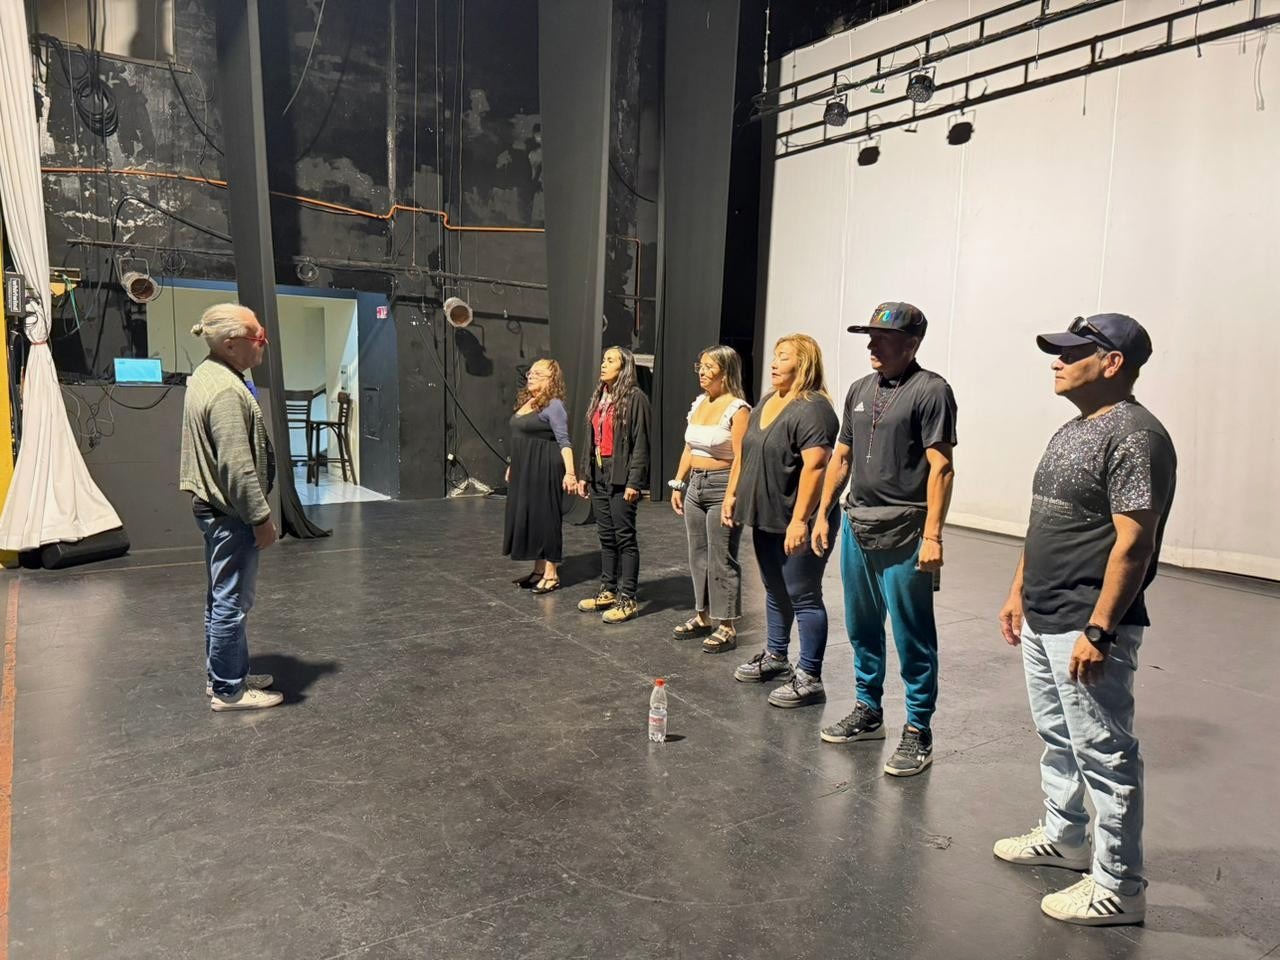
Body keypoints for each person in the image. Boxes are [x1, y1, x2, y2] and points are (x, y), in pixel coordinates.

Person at [994, 314, 1175, 927]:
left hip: (1087, 619)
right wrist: (1018, 591)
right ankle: (1065, 836)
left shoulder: (1137, 436)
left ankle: (1119, 885)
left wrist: (1100, 629)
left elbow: (1134, 542)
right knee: (1057, 735)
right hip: (1044, 610)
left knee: (1104, 751)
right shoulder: (1071, 430)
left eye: (1073, 353)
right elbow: (1044, 518)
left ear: (1112, 362)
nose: (1058, 361)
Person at [812, 302, 958, 777]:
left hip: (907, 529)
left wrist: (934, 536)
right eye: (869, 337)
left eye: (883, 338)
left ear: (911, 344)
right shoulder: (859, 389)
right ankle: (868, 709)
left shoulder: (932, 390)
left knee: (912, 633)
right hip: (857, 524)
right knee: (861, 626)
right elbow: (841, 457)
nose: (872, 346)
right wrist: (822, 514)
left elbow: (941, 468)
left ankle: (918, 729)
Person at [723, 334, 839, 707]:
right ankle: (776, 656)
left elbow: (816, 466)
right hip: (766, 517)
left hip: (796, 520)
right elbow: (746, 453)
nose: (774, 363)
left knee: (803, 595)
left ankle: (810, 677)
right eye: (774, 356)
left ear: (803, 364)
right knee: (774, 589)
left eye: (784, 357)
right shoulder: (768, 401)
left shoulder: (813, 408)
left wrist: (801, 521)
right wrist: (734, 494)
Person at [180, 303, 283, 712]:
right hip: (231, 515)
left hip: (213, 508)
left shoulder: (208, 374)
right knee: (231, 603)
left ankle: (225, 674)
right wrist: (261, 518)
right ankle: (229, 691)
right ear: (230, 344)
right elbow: (237, 467)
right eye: (257, 337)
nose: (263, 344)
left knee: (220, 599)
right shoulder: (225, 391)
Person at [668, 346, 751, 653]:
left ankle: (726, 625)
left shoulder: (738, 409)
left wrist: (732, 494)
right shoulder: (700, 403)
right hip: (696, 486)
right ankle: (703, 616)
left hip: (722, 485)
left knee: (721, 557)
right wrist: (678, 483)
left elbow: (741, 456)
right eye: (699, 366)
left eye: (708, 367)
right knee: (698, 555)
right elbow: (690, 447)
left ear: (725, 372)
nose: (701, 372)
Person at [576, 346, 652, 624]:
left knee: (624, 538)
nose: (603, 364)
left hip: (621, 474)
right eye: (603, 359)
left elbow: (641, 443)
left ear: (624, 367)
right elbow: (590, 439)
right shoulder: (600, 396)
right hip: (598, 472)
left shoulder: (635, 398)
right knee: (606, 537)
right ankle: (608, 590)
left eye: (610, 360)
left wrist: (635, 482)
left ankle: (628, 597)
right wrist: (585, 474)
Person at [503, 359, 579, 593]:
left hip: (545, 466)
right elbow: (521, 437)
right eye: (530, 372)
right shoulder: (528, 402)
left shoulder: (554, 405)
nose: (531, 376)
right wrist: (512, 464)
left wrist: (570, 473)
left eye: (538, 373)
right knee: (532, 518)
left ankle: (551, 573)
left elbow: (564, 441)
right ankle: (538, 570)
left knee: (546, 519)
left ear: (551, 380)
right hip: (524, 467)